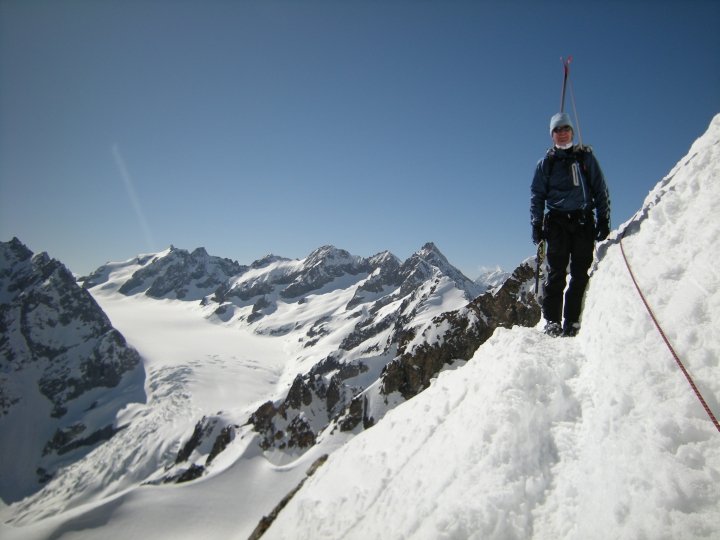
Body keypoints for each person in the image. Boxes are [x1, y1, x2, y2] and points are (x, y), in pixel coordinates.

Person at [530, 112, 610, 337]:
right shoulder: (546, 164)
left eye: (566, 129)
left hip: (583, 220)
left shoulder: (585, 159)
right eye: (557, 130)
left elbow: (600, 189)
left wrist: (603, 218)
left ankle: (572, 321)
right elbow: (537, 196)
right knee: (555, 273)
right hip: (557, 224)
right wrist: (536, 224)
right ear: (552, 135)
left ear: (572, 132)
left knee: (579, 273)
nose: (562, 134)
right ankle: (553, 321)